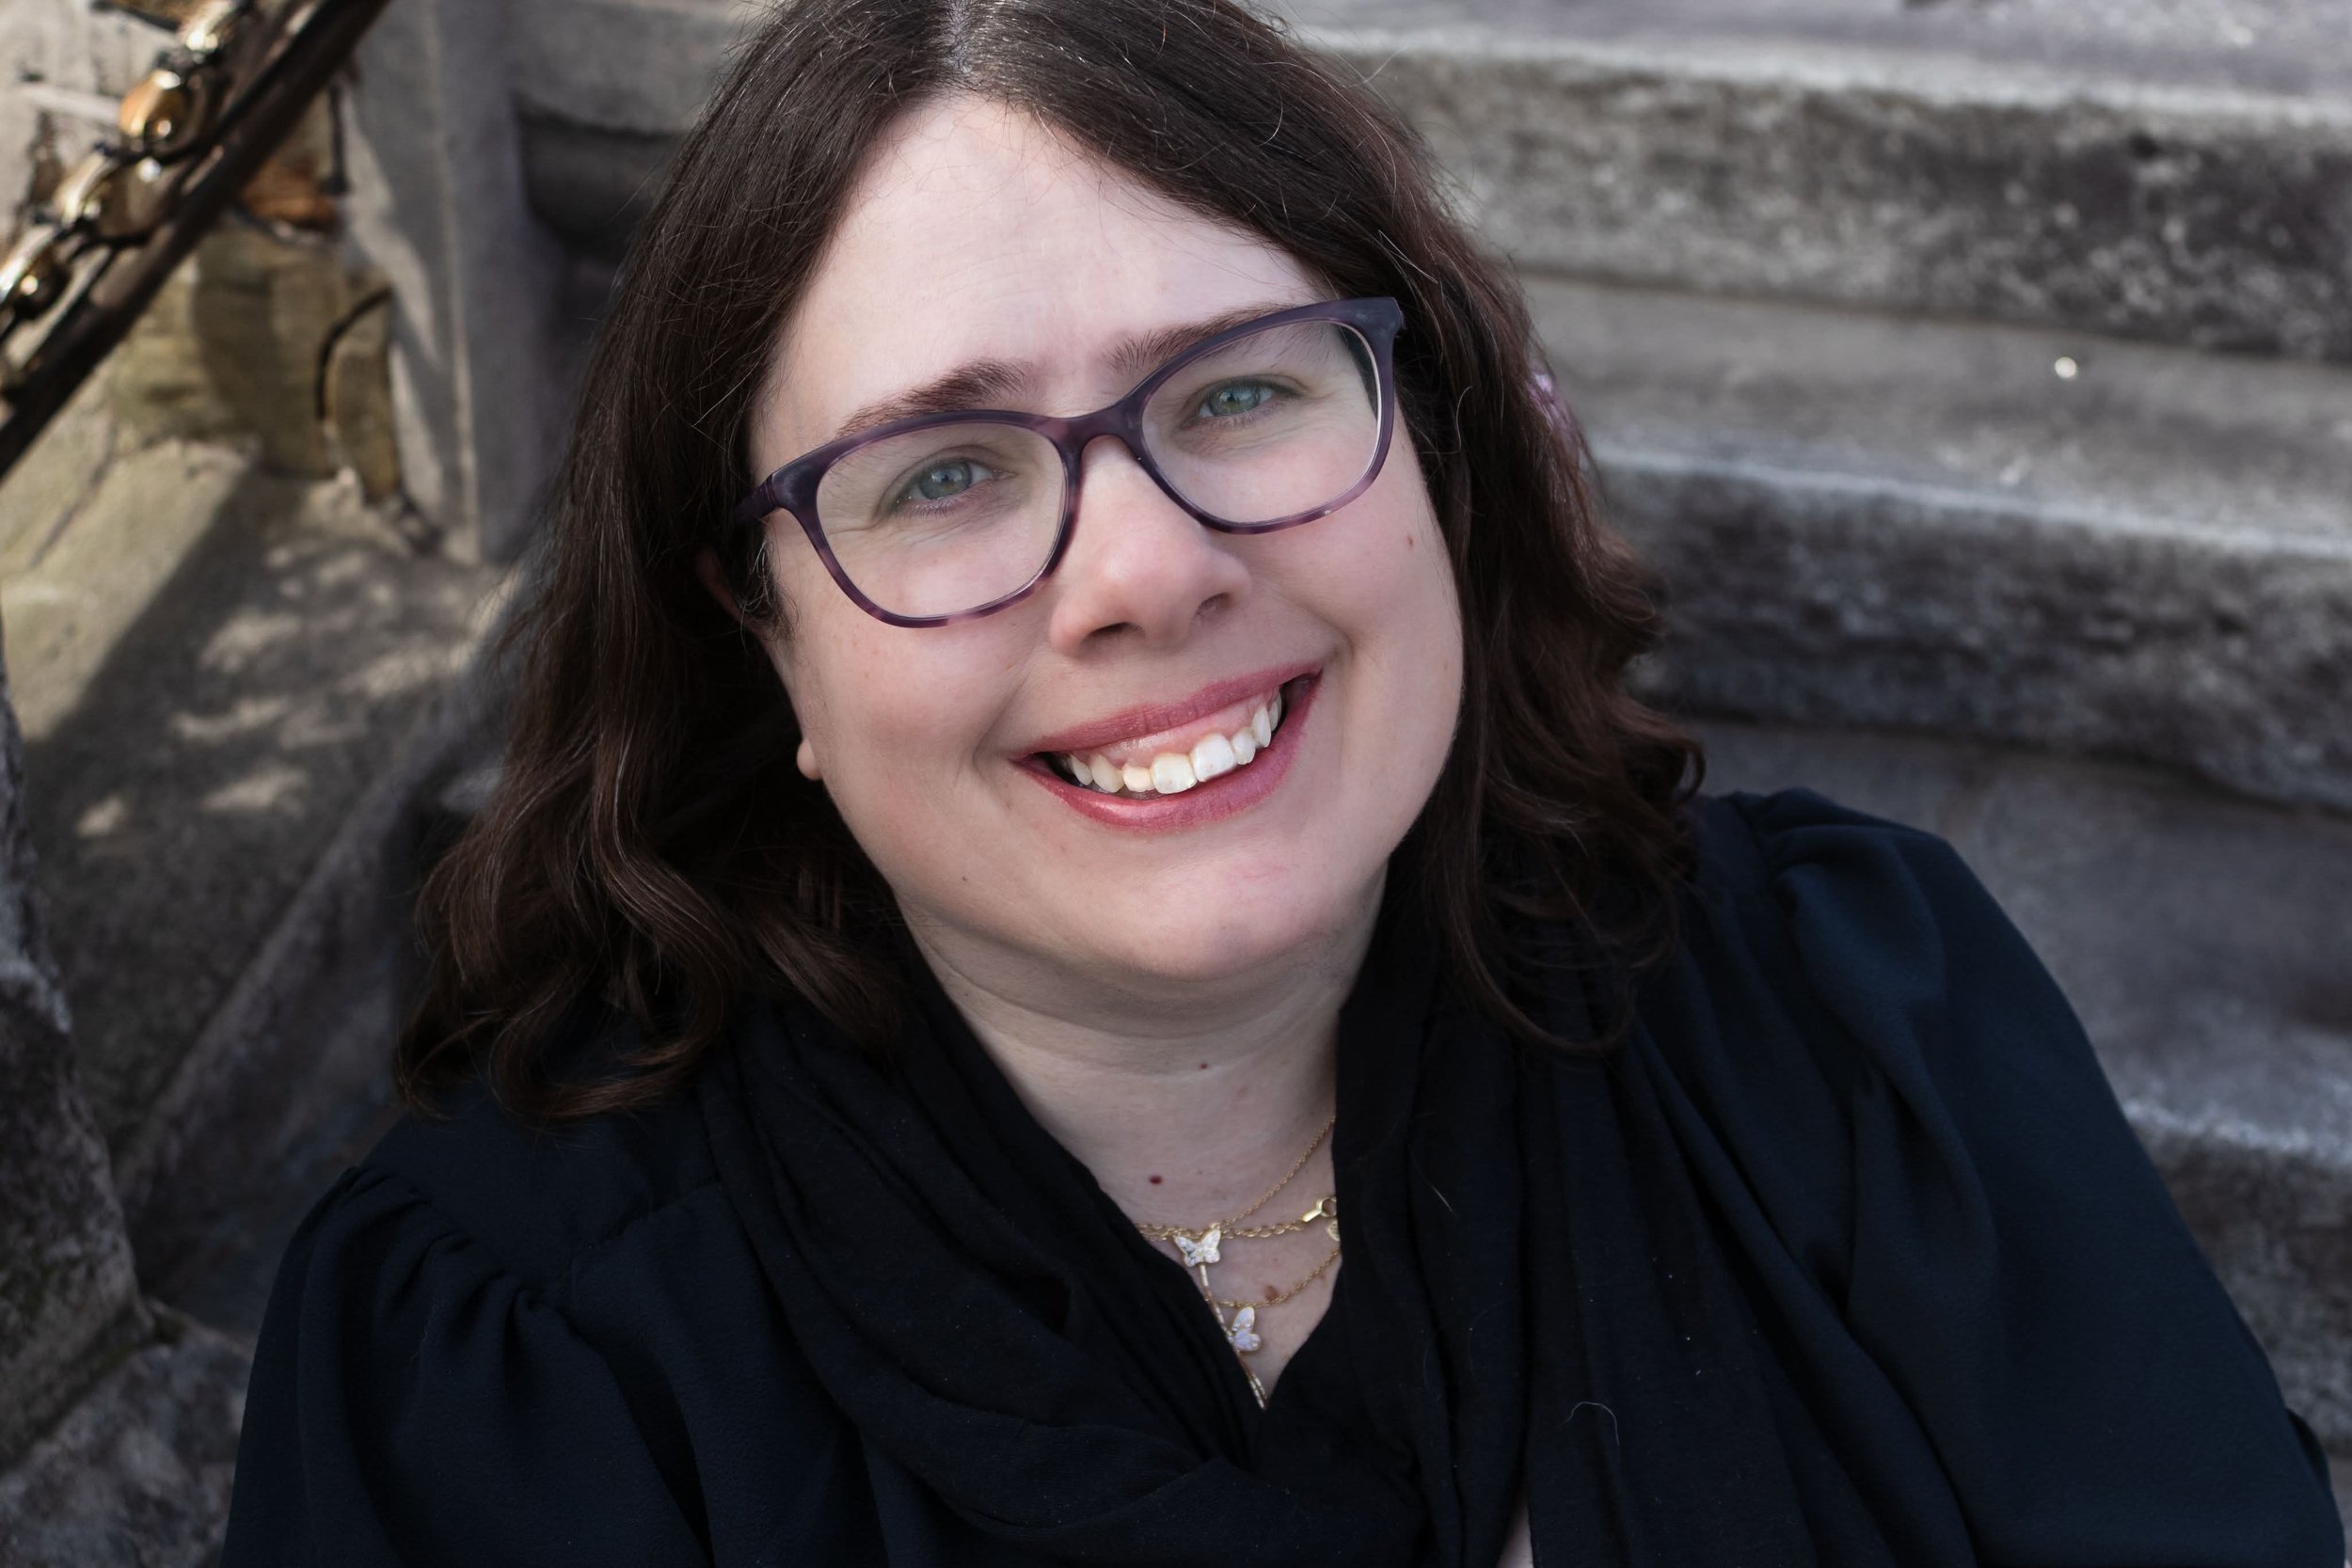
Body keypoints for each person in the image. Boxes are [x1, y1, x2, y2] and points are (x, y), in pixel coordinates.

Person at [218, 0, 2345, 1562]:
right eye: (943, 472)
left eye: (1236, 391)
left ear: (1432, 447)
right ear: (755, 628)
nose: (1144, 570)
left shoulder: (1860, 1026)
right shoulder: (510, 1376)